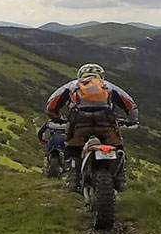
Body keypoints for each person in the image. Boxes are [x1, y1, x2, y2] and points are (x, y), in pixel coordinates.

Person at [44, 62, 140, 192]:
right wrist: (130, 121)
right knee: (118, 148)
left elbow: (51, 105)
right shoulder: (108, 86)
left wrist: (57, 118)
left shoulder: (72, 86)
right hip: (106, 124)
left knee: (72, 150)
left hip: (79, 124)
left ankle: (72, 179)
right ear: (101, 75)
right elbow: (131, 106)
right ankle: (120, 178)